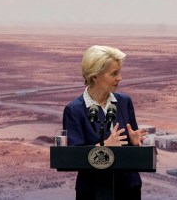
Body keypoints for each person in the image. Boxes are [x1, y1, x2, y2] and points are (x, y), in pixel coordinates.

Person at [62, 45, 147, 200]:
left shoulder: (124, 102)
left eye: (119, 72)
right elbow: (73, 157)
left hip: (128, 188)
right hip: (93, 191)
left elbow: (131, 145)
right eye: (114, 73)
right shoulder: (74, 110)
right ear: (95, 76)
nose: (119, 78)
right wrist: (103, 147)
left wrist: (135, 143)